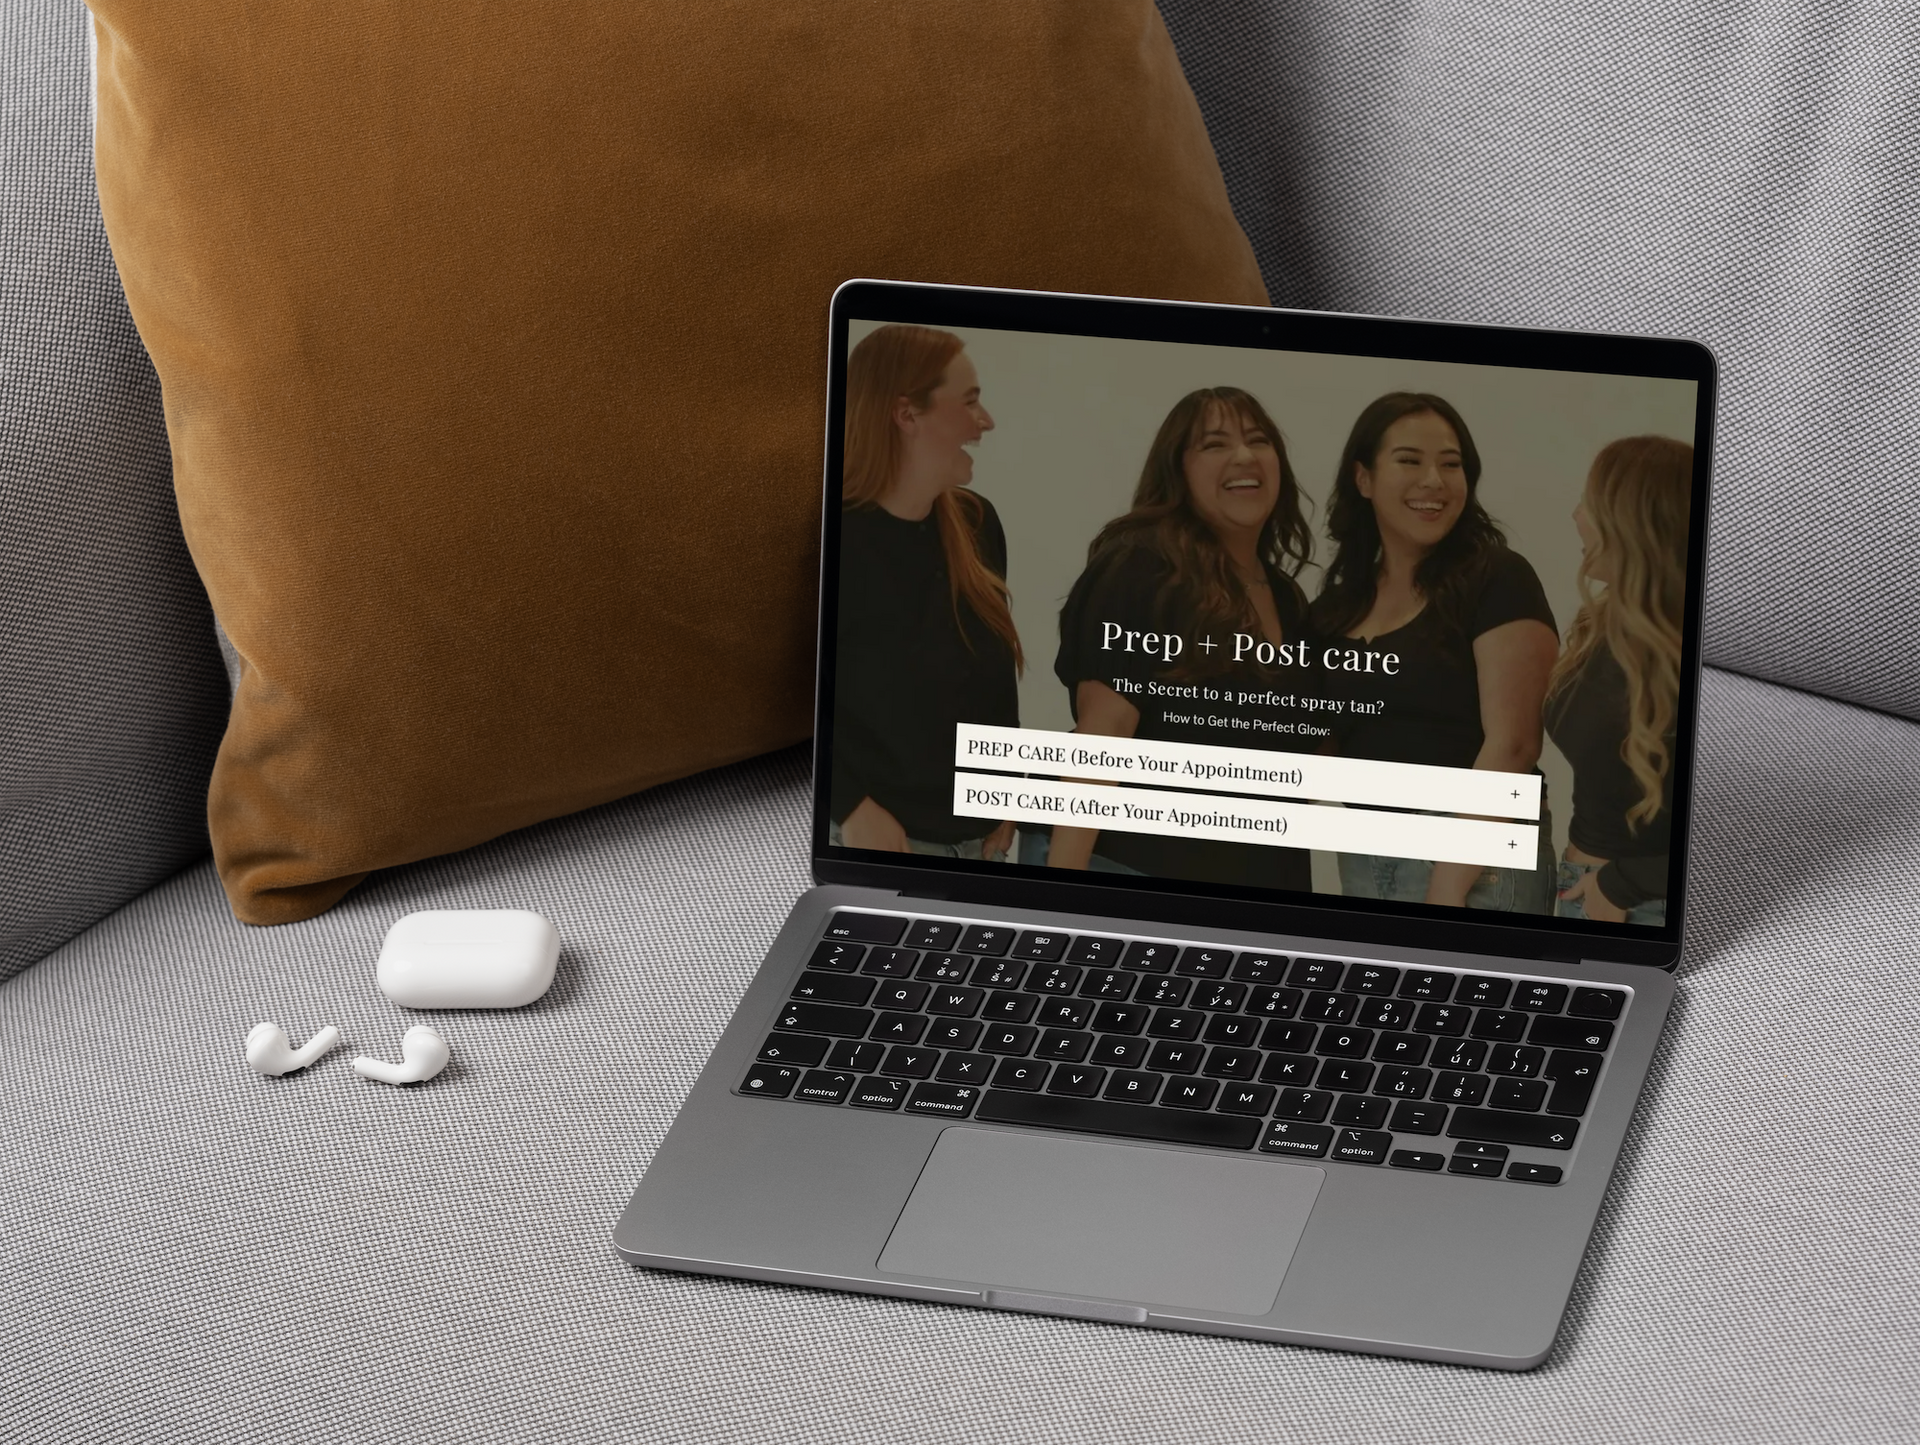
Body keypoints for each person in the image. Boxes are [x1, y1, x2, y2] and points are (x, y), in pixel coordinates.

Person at [1048, 387, 1315, 890]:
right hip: (1134, 873)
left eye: (1259, 440)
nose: (1243, 455)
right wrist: (1057, 903)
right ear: (1178, 471)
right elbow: (1101, 740)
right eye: (1214, 444)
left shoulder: (1287, 599)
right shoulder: (1140, 569)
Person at [1311, 392, 1559, 911]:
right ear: (1363, 479)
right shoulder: (1337, 606)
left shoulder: (1497, 576)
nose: (1434, 481)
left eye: (1452, 464)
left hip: (1476, 862)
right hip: (1365, 850)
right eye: (1409, 461)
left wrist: (1447, 885)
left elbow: (1513, 746)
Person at [829, 324, 1021, 861]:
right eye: (970, 402)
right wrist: (851, 809)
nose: (986, 422)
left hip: (990, 848)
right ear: (906, 414)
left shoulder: (978, 523)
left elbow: (993, 685)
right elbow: (799, 703)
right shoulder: (835, 542)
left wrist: (1008, 798)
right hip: (891, 844)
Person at [1547, 436, 1692, 925]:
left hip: (1637, 905)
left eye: (1589, 502)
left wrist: (1623, 886)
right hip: (1584, 885)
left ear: (1632, 524)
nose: (1574, 516)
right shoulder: (1604, 625)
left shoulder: (1681, 658)